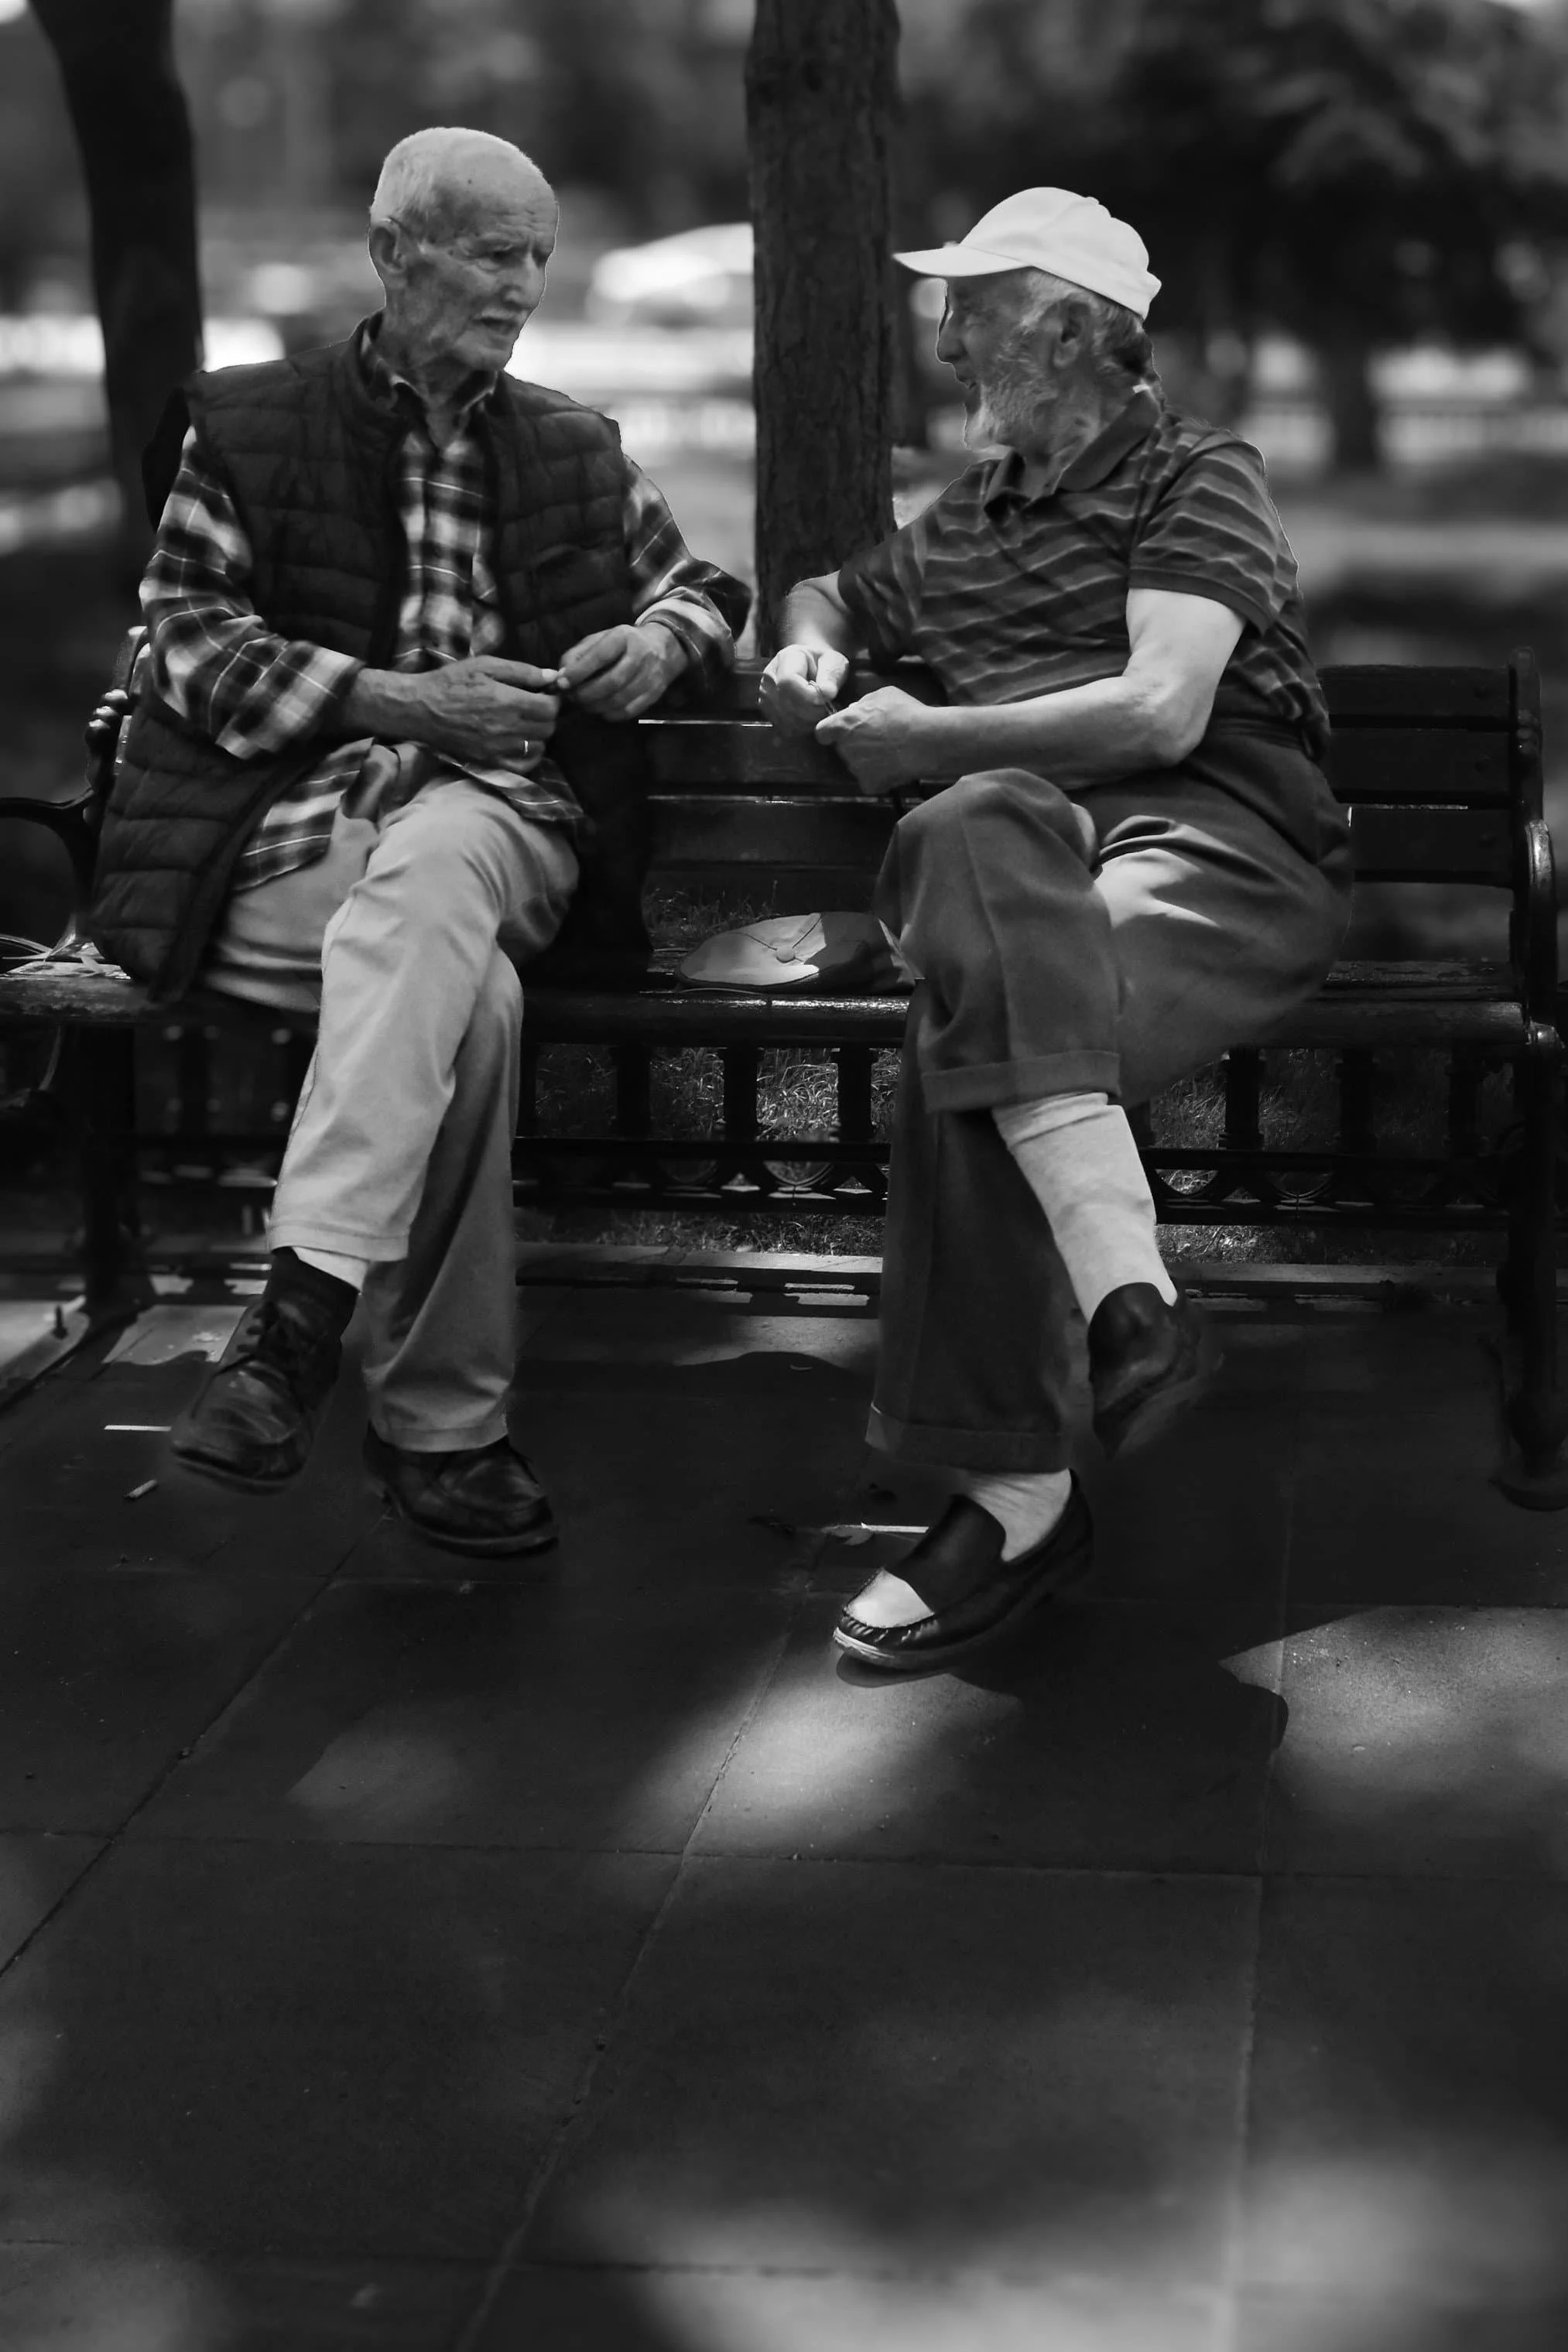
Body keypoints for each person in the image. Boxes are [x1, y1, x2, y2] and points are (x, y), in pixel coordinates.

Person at [90, 126, 747, 1557]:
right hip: (287, 846)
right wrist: (389, 698)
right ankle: (438, 1434)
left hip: (509, 825)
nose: (523, 288)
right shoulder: (250, 426)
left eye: (539, 261)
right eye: (496, 254)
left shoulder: (573, 445)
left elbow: (704, 587)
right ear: (396, 254)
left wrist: (657, 635)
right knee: (471, 1006)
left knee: (446, 864)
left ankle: (292, 1331)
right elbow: (184, 643)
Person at [761, 187, 1352, 1672]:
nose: (945, 338)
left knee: (976, 1008)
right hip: (1026, 862)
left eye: (973, 308)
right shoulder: (964, 520)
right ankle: (1126, 1305)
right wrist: (813, 631)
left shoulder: (1192, 475)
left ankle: (1013, 1495)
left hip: (1210, 842)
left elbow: (1165, 709)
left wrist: (933, 733)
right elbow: (836, 583)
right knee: (968, 832)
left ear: (1076, 332)